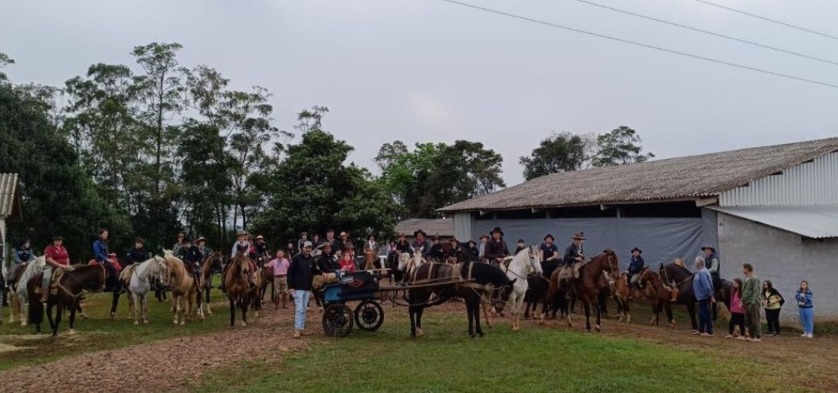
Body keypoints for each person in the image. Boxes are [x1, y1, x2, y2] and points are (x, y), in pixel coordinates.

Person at [287, 241, 317, 338]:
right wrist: (290, 286)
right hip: (298, 288)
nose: (308, 249)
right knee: (299, 309)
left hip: (307, 288)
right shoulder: (296, 258)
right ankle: (297, 330)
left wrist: (324, 273)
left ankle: (301, 328)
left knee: (304, 309)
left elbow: (315, 270)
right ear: (302, 248)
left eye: (309, 248)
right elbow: (290, 273)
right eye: (306, 247)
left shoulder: (311, 260)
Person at [41, 236, 72, 303]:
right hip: (51, 266)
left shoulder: (63, 248)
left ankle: (76, 293)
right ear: (54, 241)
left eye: (60, 240)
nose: (59, 241)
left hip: (64, 266)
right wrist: (60, 265)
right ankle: (44, 295)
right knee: (46, 278)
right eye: (58, 240)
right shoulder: (49, 248)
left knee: (75, 273)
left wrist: (68, 265)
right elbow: (49, 259)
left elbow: (67, 257)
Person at [693, 257, 715, 337]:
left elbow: (706, 286)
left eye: (695, 262)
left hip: (704, 296)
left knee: (705, 313)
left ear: (699, 263)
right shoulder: (701, 271)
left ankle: (709, 331)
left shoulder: (702, 272)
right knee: (701, 313)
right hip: (701, 297)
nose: (694, 264)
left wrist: (710, 295)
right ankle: (701, 329)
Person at [741, 263, 762, 343]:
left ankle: (758, 336)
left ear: (747, 269)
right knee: (748, 320)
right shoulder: (746, 278)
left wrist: (753, 302)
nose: (742, 270)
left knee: (755, 320)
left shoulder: (754, 278)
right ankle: (751, 335)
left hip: (753, 303)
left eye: (743, 268)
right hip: (746, 303)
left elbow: (756, 291)